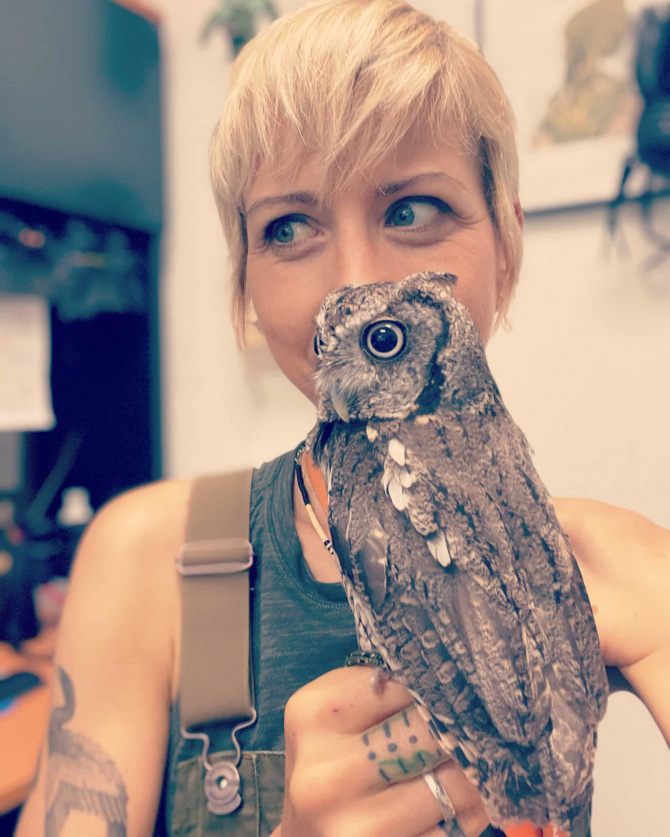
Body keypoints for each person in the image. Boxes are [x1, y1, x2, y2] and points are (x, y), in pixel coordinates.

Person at [17, 1, 670, 835]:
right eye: (290, 227)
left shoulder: (613, 567)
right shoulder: (151, 564)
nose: (355, 283)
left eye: (411, 209)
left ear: (505, 246)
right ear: (244, 282)